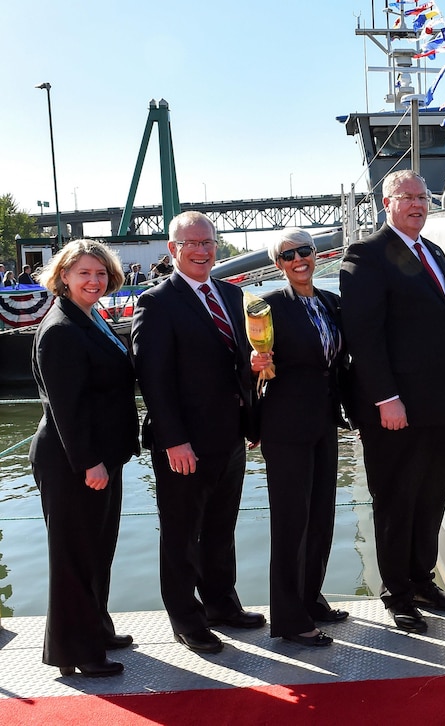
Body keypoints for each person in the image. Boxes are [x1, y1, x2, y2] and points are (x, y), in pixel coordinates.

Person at [340, 170, 445, 634]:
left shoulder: (432, 251)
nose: (418, 204)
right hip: (396, 409)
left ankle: (423, 579)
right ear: (386, 201)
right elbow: (364, 335)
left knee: (431, 496)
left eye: (423, 196)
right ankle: (397, 594)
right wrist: (386, 398)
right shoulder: (367, 254)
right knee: (396, 500)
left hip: (439, 403)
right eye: (408, 197)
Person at [131, 211, 265, 655]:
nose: (204, 251)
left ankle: (221, 605)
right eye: (193, 244)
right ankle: (186, 619)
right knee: (182, 532)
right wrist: (173, 440)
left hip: (230, 434)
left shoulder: (231, 294)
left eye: (209, 242)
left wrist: (253, 376)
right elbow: (154, 379)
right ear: (174, 250)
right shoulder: (156, 302)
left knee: (221, 527)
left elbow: (236, 357)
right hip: (184, 442)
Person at [29, 239, 140, 677]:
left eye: (99, 273)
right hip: (73, 460)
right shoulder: (60, 329)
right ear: (63, 278)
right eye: (83, 274)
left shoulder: (92, 318)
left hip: (100, 457)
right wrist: (89, 462)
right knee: (74, 555)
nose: (93, 281)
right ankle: (77, 652)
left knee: (98, 550)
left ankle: (96, 627)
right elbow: (65, 407)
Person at [250, 229, 349, 647]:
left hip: (325, 421)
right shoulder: (268, 307)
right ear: (278, 264)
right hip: (285, 426)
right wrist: (254, 362)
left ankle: (311, 598)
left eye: (304, 251)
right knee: (291, 522)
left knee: (321, 517)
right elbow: (247, 362)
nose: (298, 259)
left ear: (316, 254)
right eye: (288, 255)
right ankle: (289, 619)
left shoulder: (330, 302)